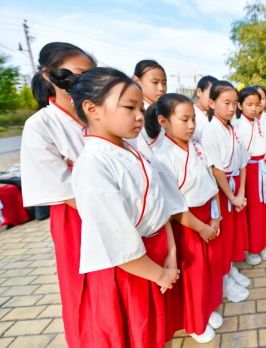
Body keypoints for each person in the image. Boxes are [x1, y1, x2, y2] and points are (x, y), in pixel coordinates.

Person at [56, 66, 187, 346]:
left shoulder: (130, 149)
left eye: (141, 107)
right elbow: (118, 243)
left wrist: (172, 252)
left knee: (154, 333)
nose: (140, 115)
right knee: (136, 334)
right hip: (131, 269)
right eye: (129, 107)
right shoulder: (93, 164)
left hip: (156, 257)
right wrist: (161, 273)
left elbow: (158, 201)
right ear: (92, 109)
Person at [20, 42, 95, 347]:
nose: (83, 85)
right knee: (87, 289)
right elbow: (61, 186)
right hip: (78, 216)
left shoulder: (95, 116)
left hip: (120, 210)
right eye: (75, 74)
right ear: (48, 75)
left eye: (90, 77)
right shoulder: (40, 125)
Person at [150, 94, 224, 343]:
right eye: (184, 119)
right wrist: (201, 227)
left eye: (193, 118)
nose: (192, 125)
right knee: (193, 275)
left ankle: (207, 307)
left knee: (210, 270)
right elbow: (173, 205)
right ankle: (194, 322)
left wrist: (215, 216)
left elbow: (210, 182)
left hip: (208, 217)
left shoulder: (197, 147)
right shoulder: (160, 156)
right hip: (187, 223)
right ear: (163, 121)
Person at [201, 81, 251, 302]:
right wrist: (231, 196)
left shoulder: (233, 129)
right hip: (220, 192)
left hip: (233, 188)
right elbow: (216, 169)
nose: (231, 108)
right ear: (212, 103)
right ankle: (222, 281)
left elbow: (242, 161)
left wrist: (240, 192)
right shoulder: (210, 131)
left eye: (234, 103)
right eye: (226, 103)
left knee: (231, 235)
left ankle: (228, 269)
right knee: (221, 238)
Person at [234, 86, 266, 266]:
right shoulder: (237, 126)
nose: (254, 108)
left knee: (263, 209)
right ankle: (251, 248)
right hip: (248, 170)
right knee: (251, 211)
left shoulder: (259, 122)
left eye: (257, 104)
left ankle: (261, 243)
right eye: (249, 104)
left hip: (262, 168)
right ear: (240, 105)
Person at [128, 60, 167, 156]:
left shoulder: (167, 111)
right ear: (136, 81)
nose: (161, 88)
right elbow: (145, 156)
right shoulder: (132, 115)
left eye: (164, 83)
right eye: (155, 82)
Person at [192, 75, 218, 143]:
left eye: (216, 96)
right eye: (210, 94)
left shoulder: (216, 115)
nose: (213, 99)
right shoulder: (191, 114)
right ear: (199, 92)